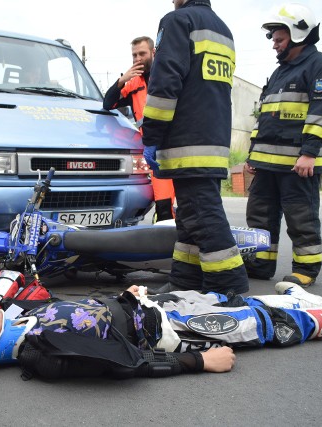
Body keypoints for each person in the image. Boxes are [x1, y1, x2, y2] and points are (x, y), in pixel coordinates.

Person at [0, 279, 322, 381]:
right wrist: (198, 361)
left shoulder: (20, 316)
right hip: (171, 333)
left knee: (229, 300)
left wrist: (120, 295)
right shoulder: (41, 353)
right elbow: (126, 366)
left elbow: (79, 306)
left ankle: (306, 299)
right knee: (262, 325)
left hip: (148, 303)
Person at [141, 0, 248, 294]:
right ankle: (184, 282)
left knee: (202, 216)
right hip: (213, 140)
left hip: (186, 141)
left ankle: (229, 287)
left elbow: (164, 85)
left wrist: (151, 136)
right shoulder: (222, 29)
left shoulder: (177, 21)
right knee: (189, 219)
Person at [244, 3, 322, 288]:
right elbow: (264, 115)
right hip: (266, 163)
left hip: (298, 163)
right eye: (273, 39)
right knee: (259, 216)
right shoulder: (279, 72)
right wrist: (253, 155)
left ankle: (306, 269)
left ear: (299, 34)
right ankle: (260, 263)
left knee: (301, 217)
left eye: (279, 39)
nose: (274, 45)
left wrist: (309, 153)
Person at [103, 36, 176, 222]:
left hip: (176, 146)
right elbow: (108, 104)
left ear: (153, 53)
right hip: (155, 152)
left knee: (188, 204)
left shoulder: (168, 76)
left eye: (142, 54)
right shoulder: (133, 84)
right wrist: (122, 80)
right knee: (164, 206)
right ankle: (165, 240)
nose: (137, 59)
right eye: (134, 55)